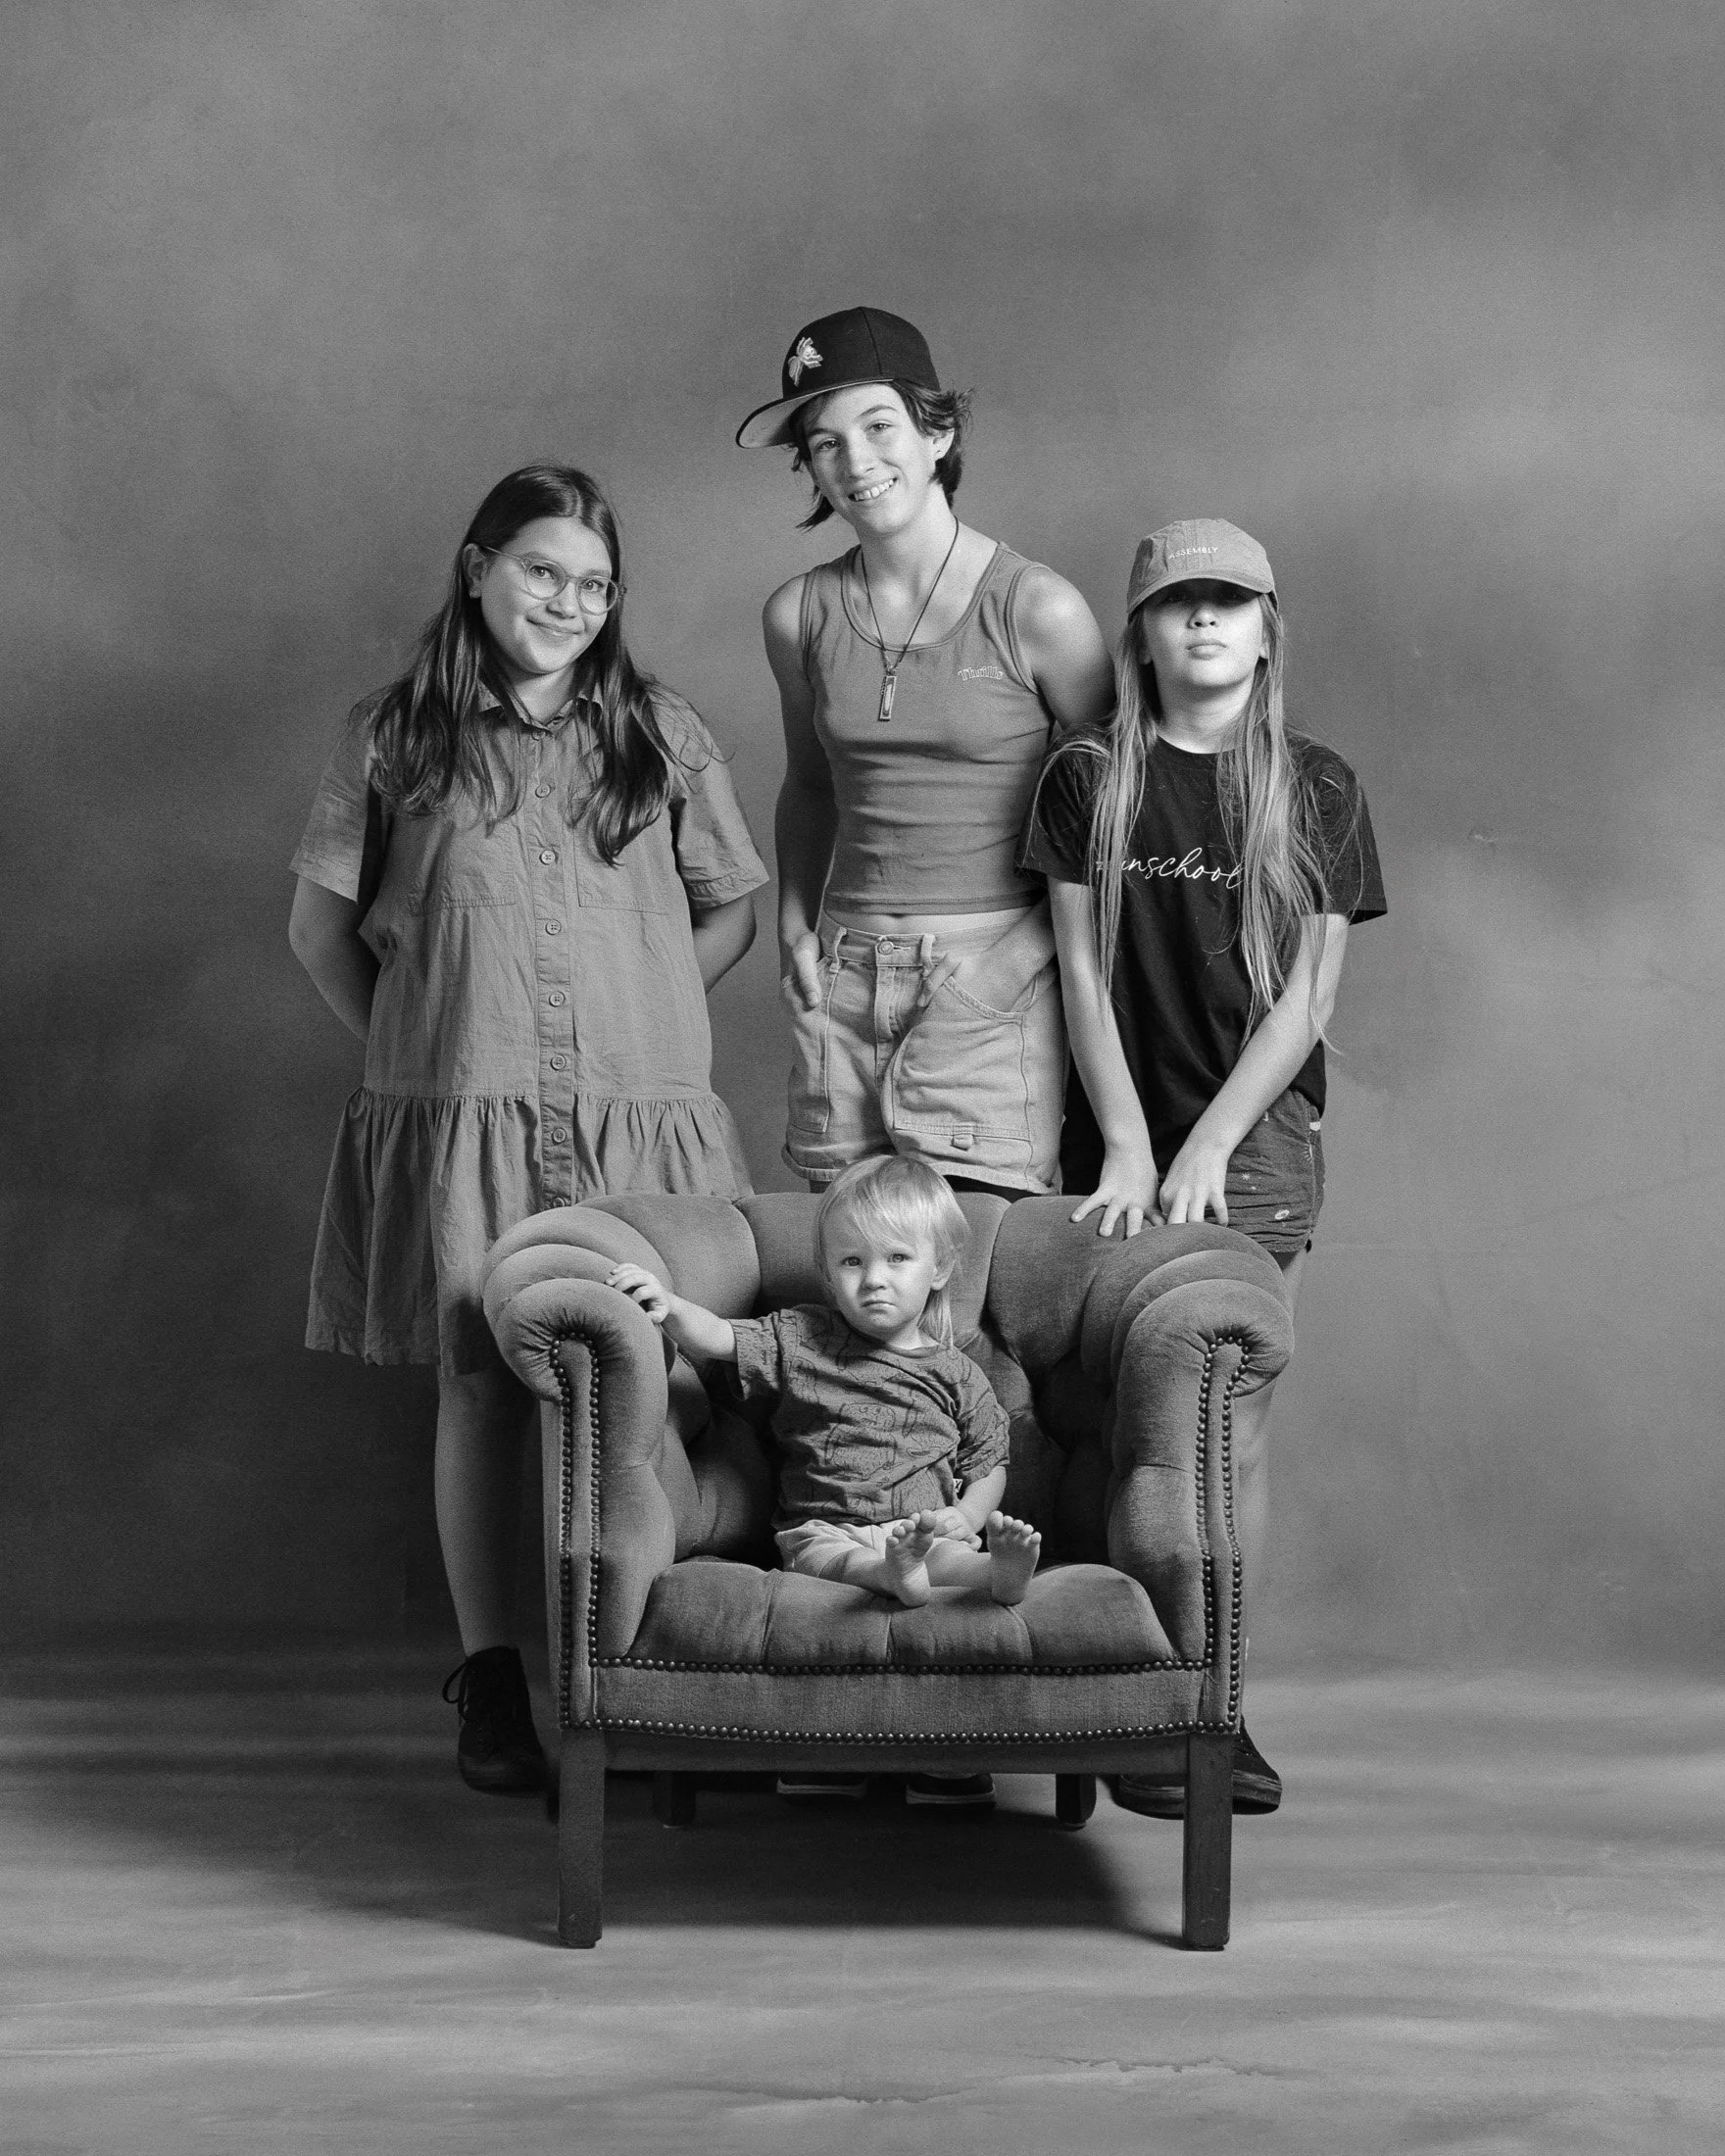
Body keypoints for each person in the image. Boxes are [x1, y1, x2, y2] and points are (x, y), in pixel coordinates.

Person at [287, 465, 767, 1796]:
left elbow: (729, 904)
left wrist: (653, 1014)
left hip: (635, 1118)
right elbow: (320, 929)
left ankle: (666, 1675)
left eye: (595, 584)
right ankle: (495, 1681)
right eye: (544, 571)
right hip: (465, 1115)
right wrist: (420, 1037)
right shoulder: (394, 736)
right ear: (479, 564)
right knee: (480, 1383)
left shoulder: (661, 730)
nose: (568, 601)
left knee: (655, 1380)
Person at [1021, 516, 1386, 1819]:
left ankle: (1215, 1706)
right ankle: (1119, 1696)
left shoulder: (1320, 787)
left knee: (1222, 1437)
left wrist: (1212, 1146)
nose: (1206, 622)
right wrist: (1126, 1138)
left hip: (1256, 1149)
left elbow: (1305, 999)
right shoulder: (1087, 779)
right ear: (1143, 632)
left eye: (1231, 601)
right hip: (1111, 1145)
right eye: (1180, 603)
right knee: (1109, 1427)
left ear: (1268, 626)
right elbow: (1075, 967)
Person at [737, 307, 1114, 1199]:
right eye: (825, 443)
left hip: (992, 968)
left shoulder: (1038, 609)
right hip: (846, 972)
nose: (855, 462)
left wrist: (1020, 963)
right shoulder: (797, 615)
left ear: (937, 431)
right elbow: (810, 785)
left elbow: (1115, 820)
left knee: (972, 1272)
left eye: (877, 427)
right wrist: (795, 922)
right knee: (856, 1276)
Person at [608, 1154, 1041, 1807]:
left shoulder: (957, 1375)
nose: (873, 1282)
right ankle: (889, 1577)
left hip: (919, 1532)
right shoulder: (802, 1336)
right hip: (820, 1527)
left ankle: (997, 1576)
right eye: (851, 1262)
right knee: (826, 1558)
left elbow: (990, 1462)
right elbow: (722, 1337)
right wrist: (666, 1306)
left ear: (941, 1269)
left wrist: (971, 1519)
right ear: (828, 1273)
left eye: (897, 1260)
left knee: (954, 1559)